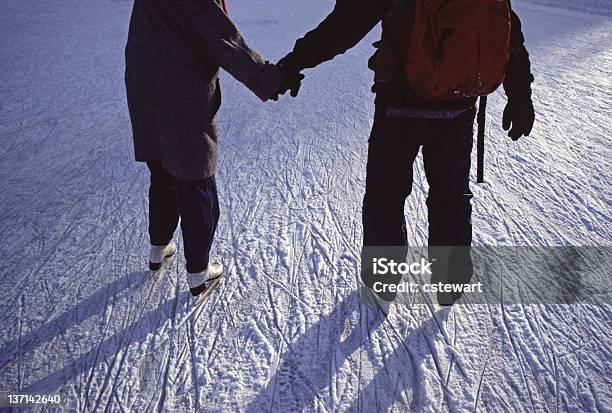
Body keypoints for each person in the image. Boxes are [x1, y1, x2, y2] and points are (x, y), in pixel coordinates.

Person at [279, 0, 535, 313]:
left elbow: (345, 25)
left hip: (399, 104)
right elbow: (509, 29)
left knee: (386, 196)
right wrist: (520, 95)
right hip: (457, 106)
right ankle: (450, 282)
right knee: (451, 196)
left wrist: (294, 62)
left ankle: (384, 283)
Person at [124, 0, 302, 301]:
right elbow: (223, 40)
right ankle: (198, 270)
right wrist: (272, 79)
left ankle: (159, 247)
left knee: (163, 169)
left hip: (143, 78)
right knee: (195, 178)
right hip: (177, 88)